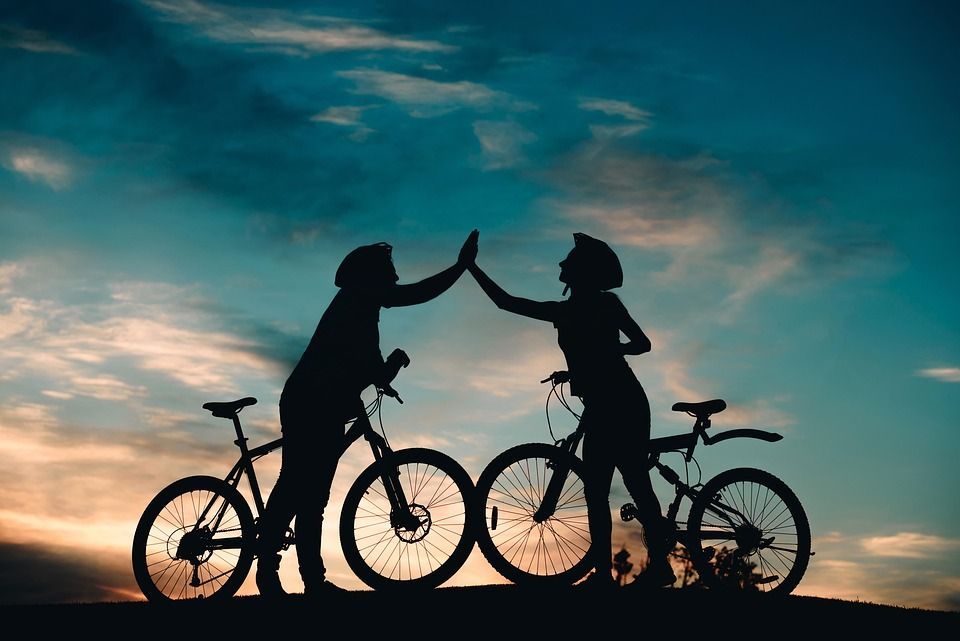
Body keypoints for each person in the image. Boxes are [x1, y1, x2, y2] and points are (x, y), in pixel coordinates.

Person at [256, 230, 479, 598]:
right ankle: (271, 571)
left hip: (322, 403)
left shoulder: (361, 310)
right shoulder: (355, 303)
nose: (394, 278)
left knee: (313, 494)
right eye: (388, 271)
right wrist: (460, 267)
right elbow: (413, 295)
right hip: (310, 402)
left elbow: (365, 367)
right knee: (299, 485)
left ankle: (311, 580)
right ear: (370, 278)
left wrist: (388, 367)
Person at [466, 232, 675, 589]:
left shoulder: (593, 307)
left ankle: (638, 570)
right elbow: (507, 303)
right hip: (610, 400)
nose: (562, 265)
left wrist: (471, 267)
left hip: (619, 402)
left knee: (622, 486)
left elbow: (642, 344)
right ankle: (617, 572)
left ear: (583, 272)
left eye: (570, 262)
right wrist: (590, 364)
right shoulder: (581, 308)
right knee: (609, 488)